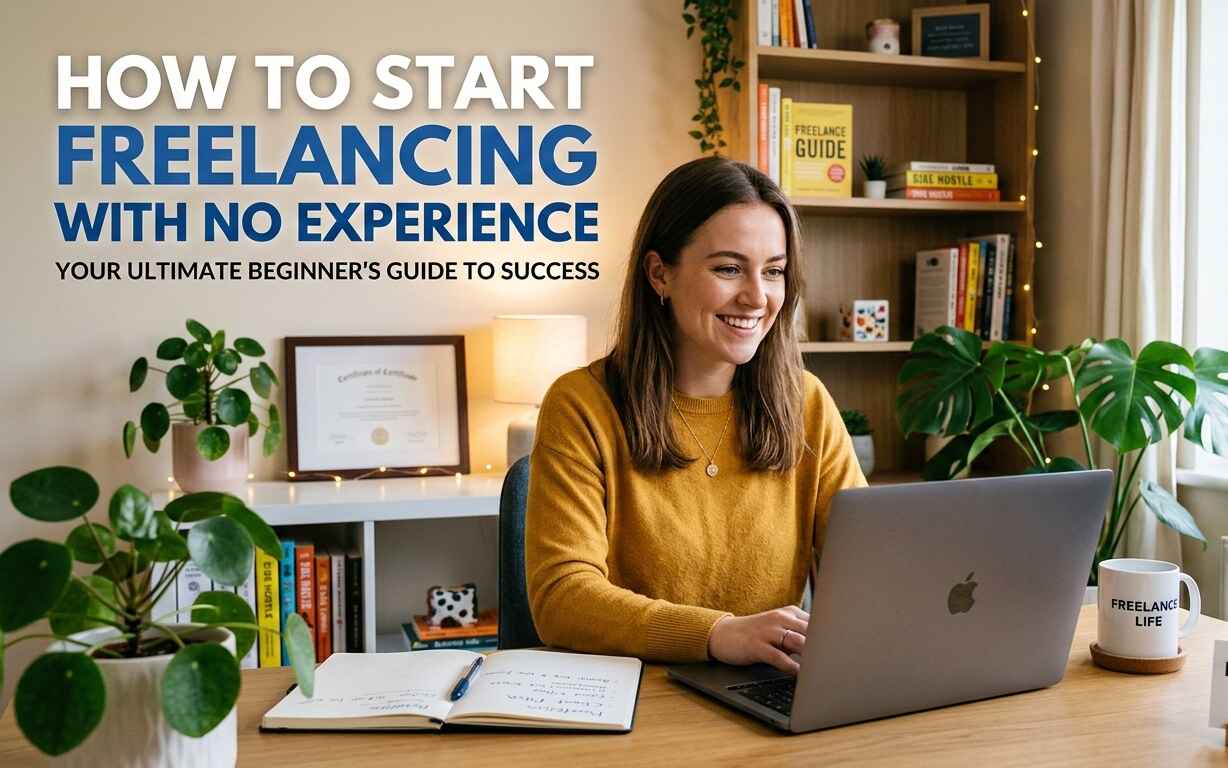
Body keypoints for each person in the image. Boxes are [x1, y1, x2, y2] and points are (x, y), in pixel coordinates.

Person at [525, 156, 866, 674]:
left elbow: (869, 565)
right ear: (660, 273)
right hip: (636, 700)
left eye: (774, 271)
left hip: (767, 692)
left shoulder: (807, 402)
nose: (757, 297)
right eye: (728, 268)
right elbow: (562, 600)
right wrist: (717, 634)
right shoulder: (581, 405)